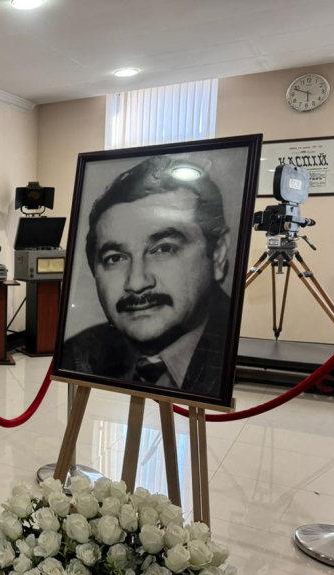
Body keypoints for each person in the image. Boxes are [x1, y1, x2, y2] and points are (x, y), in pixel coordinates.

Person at [60, 155, 231, 398]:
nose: (136, 283)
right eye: (115, 258)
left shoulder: (228, 350)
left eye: (164, 249)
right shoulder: (79, 352)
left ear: (218, 254)